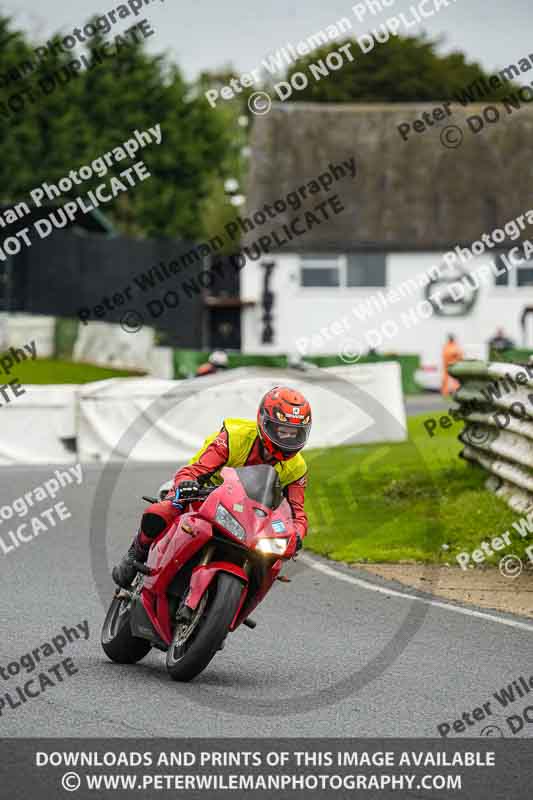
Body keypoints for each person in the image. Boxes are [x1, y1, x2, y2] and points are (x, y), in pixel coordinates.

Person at [112, 386, 312, 588]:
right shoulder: (234, 436)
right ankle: (135, 554)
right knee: (163, 511)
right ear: (264, 422)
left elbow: (298, 514)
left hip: (252, 516)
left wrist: (297, 534)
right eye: (282, 431)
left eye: (295, 433)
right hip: (205, 494)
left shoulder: (297, 468)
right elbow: (194, 471)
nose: (288, 439)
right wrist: (186, 484)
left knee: (273, 559)